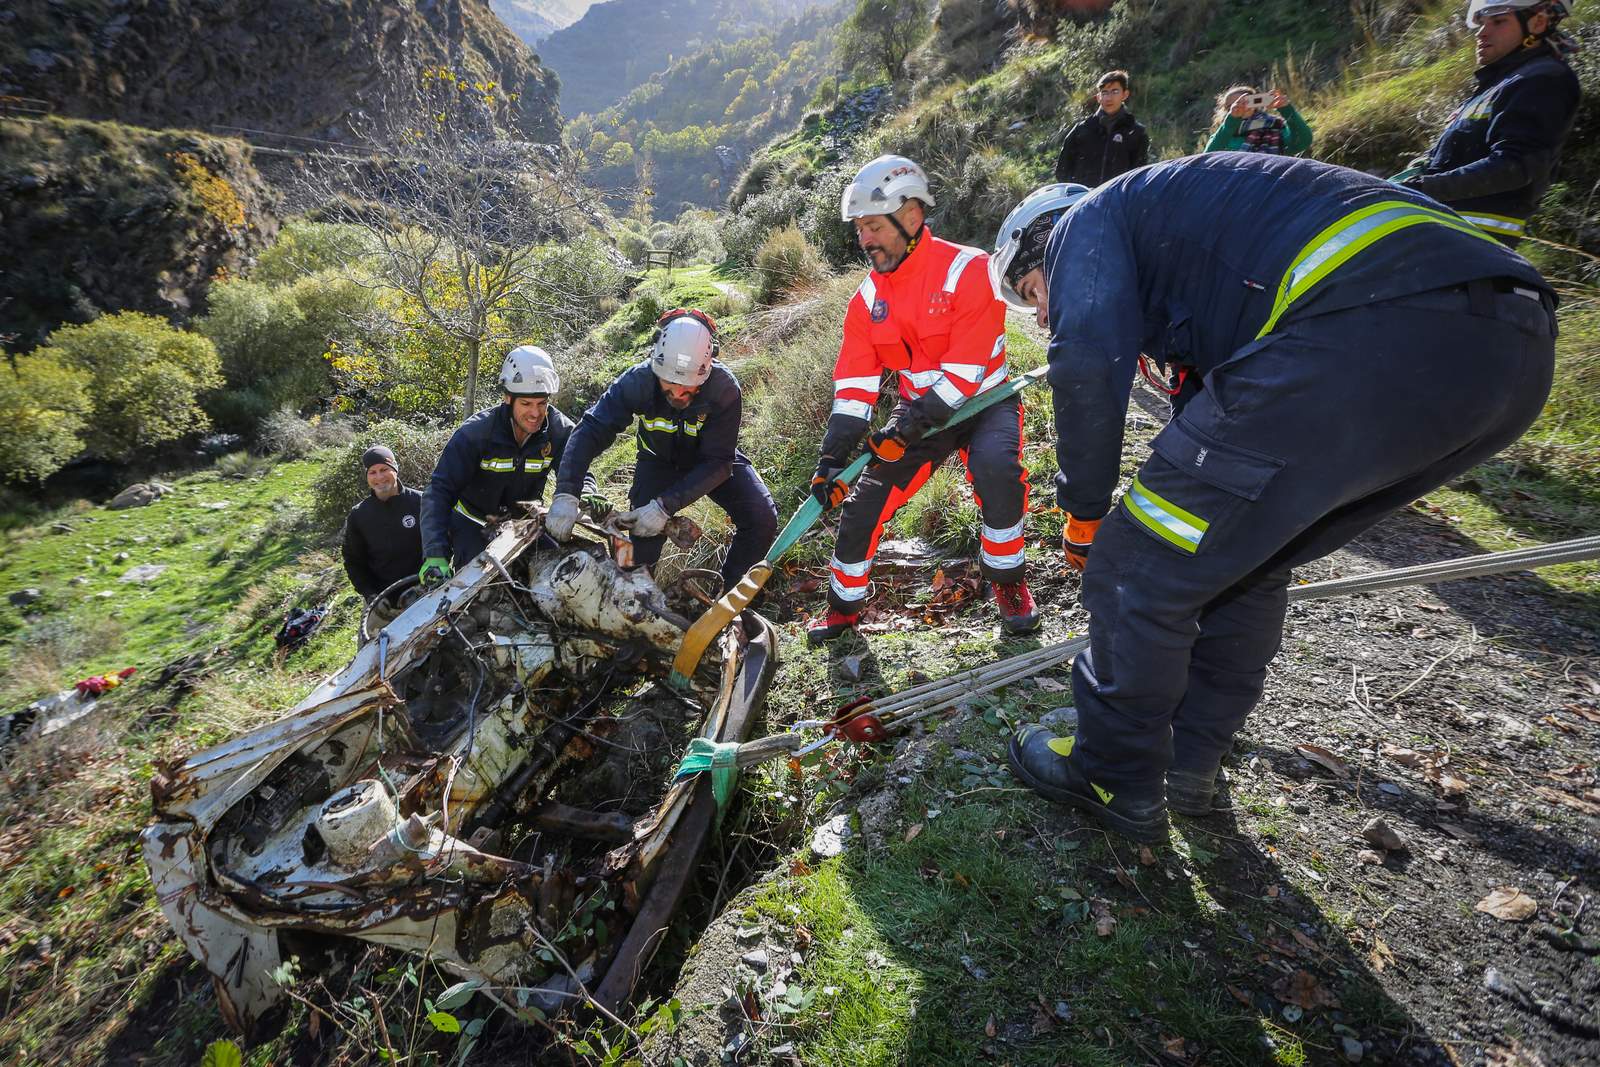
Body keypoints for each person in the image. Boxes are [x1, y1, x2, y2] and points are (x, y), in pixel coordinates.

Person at [994, 154, 1556, 843]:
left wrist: (1084, 514)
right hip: (1511, 348)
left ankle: (1111, 770)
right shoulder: (1200, 253)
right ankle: (1190, 765)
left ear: (1045, 239)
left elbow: (1083, 360)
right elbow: (1206, 429)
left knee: (1133, 564)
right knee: (1245, 562)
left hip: (1377, 318)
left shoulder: (1087, 220)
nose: (1043, 313)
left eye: (1033, 290)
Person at [808, 154, 1038, 645]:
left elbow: (964, 377)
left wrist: (901, 432)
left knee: (999, 474)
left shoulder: (968, 270)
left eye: (873, 226)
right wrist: (832, 460)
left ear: (910, 216)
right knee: (863, 505)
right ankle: (843, 609)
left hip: (984, 404)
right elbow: (854, 386)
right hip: (917, 413)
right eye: (859, 229)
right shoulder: (866, 300)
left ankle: (1009, 583)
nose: (865, 240)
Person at [546, 308, 778, 593]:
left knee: (761, 517)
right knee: (640, 548)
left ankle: (728, 604)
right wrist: (567, 492)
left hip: (708, 463)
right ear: (656, 366)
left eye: (688, 388)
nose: (678, 394)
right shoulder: (637, 381)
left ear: (706, 370)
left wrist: (664, 506)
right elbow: (591, 430)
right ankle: (635, 606)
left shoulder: (723, 388)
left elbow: (719, 461)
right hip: (656, 461)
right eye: (670, 384)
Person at [1399, 0, 1581, 246]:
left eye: (1498, 21)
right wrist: (1410, 176)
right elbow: (1442, 160)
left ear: (1537, 23)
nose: (1482, 32)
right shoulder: (1495, 86)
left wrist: (1423, 189)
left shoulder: (1543, 79)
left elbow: (1515, 164)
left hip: (1471, 245)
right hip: (1440, 231)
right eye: (1482, 22)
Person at [418, 346, 593, 585]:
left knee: (559, 579)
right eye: (527, 404)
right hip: (474, 526)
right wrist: (435, 553)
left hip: (524, 527)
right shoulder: (475, 434)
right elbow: (439, 491)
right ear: (508, 399)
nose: (535, 413)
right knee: (480, 595)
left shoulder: (559, 431)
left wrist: (589, 494)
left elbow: (578, 471)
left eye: (542, 404)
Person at [341, 444, 423, 630]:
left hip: (424, 591)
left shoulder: (420, 502)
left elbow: (443, 541)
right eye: (373, 472)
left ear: (395, 468)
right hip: (382, 601)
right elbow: (353, 561)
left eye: (384, 469)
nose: (379, 477)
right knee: (374, 654)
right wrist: (370, 595)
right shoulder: (359, 515)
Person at [1053, 70, 1151, 187]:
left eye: (1115, 91)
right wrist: (1077, 194)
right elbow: (1062, 171)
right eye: (1104, 92)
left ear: (1125, 94)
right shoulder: (1082, 129)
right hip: (1083, 201)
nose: (1109, 98)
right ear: (1098, 97)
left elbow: (1138, 177)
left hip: (1117, 202)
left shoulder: (1136, 133)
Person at [1203, 86, 1312, 156]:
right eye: (1233, 105)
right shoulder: (1224, 134)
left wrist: (1287, 110)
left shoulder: (1274, 127)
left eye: (1245, 102)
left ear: (1255, 104)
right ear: (1227, 110)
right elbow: (1209, 157)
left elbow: (1303, 142)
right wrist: (1232, 120)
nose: (1241, 107)